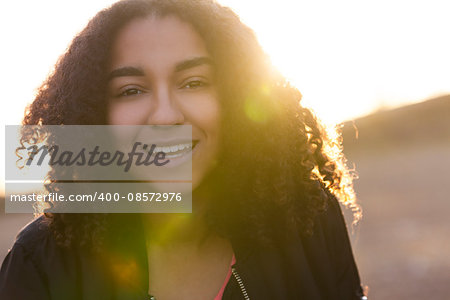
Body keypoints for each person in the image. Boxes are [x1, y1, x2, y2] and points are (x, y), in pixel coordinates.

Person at [0, 0, 366, 299]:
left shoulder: (308, 219)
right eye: (131, 90)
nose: (166, 115)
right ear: (95, 114)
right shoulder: (40, 264)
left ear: (235, 99)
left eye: (193, 83)